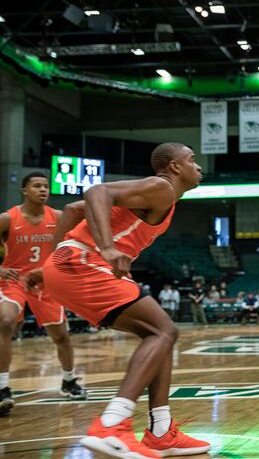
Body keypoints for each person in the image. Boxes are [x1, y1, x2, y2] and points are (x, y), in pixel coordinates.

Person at [37, 143, 209, 458]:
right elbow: (95, 193)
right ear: (173, 166)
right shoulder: (162, 187)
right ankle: (112, 425)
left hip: (69, 263)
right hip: (85, 261)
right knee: (164, 332)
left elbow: (74, 210)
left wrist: (47, 265)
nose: (198, 167)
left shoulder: (157, 196)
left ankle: (161, 430)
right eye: (192, 160)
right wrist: (106, 247)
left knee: (159, 334)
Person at [0, 171, 87, 416]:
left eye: (46, 186)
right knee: (5, 322)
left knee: (62, 337)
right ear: (24, 191)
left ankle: (69, 381)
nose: (43, 190)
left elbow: (73, 245)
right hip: (15, 280)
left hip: (45, 282)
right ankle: (2, 388)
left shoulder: (58, 217)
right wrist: (1, 269)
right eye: (37, 186)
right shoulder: (8, 218)